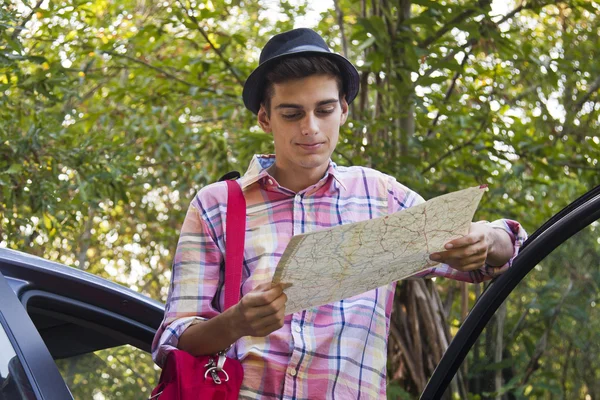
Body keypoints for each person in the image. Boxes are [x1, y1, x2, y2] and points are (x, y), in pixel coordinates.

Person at [152, 28, 527, 399]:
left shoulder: (381, 197)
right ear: (265, 119)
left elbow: (488, 257)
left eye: (325, 110)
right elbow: (175, 336)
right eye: (292, 113)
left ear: (343, 110)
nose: (310, 128)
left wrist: (484, 239)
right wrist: (234, 323)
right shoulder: (217, 205)